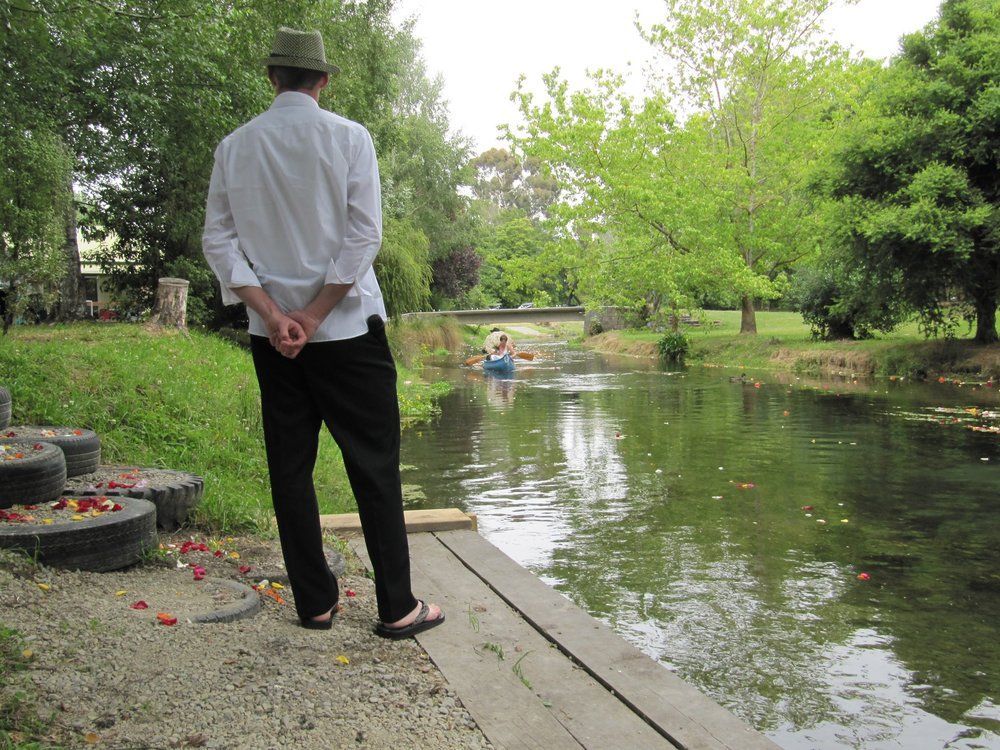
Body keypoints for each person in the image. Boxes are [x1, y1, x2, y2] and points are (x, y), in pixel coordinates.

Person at [202, 26, 443, 638]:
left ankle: (314, 602)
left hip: (271, 336)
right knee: (374, 466)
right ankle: (396, 607)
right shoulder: (349, 138)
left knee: (291, 467)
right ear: (323, 81)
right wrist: (312, 316)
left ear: (271, 78)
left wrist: (271, 310)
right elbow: (363, 236)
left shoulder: (235, 147)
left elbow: (219, 241)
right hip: (347, 334)